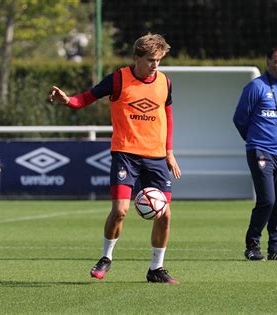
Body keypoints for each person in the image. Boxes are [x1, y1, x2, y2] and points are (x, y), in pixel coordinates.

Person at [49, 33, 181, 283]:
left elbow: (169, 117)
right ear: (136, 58)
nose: (155, 65)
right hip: (126, 154)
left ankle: (156, 269)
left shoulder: (165, 82)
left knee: (165, 214)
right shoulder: (119, 79)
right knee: (120, 210)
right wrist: (68, 101)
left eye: (159, 60)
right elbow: (86, 98)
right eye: (151, 60)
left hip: (155, 157)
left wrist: (169, 152)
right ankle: (106, 257)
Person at [233, 46, 277, 261]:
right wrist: (254, 141)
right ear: (268, 62)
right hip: (260, 151)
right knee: (267, 200)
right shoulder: (255, 87)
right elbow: (240, 119)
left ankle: (274, 249)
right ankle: (252, 244)